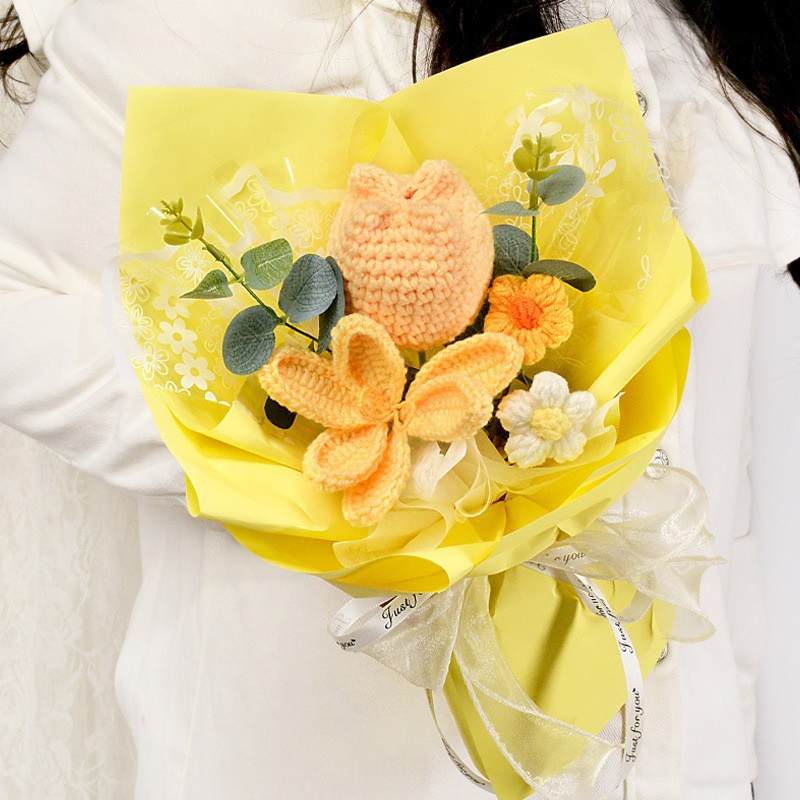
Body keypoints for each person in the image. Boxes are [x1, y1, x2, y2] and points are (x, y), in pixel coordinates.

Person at [0, 1, 798, 798]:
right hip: (323, 753)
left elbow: (726, 488)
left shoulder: (694, 25)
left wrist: (733, 761)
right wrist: (310, 462)